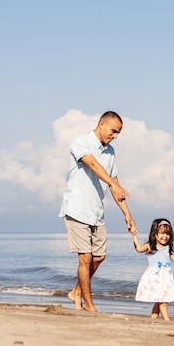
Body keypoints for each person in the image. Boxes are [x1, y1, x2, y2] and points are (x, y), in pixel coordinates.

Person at [58, 111, 136, 312]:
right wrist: (111, 181)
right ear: (102, 124)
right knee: (85, 258)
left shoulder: (110, 152)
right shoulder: (81, 141)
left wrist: (126, 213)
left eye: (118, 133)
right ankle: (89, 305)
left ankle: (76, 292)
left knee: (99, 257)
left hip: (96, 212)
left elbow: (115, 184)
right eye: (113, 131)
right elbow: (92, 164)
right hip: (77, 209)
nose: (115, 136)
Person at [132, 218, 174, 321]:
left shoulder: (169, 248)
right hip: (154, 278)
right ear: (155, 234)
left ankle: (153, 319)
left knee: (159, 301)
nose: (165, 236)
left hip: (165, 279)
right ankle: (167, 320)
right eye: (162, 233)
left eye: (168, 234)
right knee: (162, 300)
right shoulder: (150, 246)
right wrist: (134, 235)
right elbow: (138, 249)